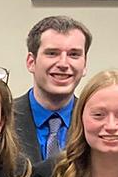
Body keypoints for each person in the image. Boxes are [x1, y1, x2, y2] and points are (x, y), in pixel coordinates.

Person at [11, 16, 91, 162]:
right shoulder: (2, 119)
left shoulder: (96, 123)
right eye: (52, 53)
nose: (63, 64)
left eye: (74, 54)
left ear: (84, 64)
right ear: (31, 62)